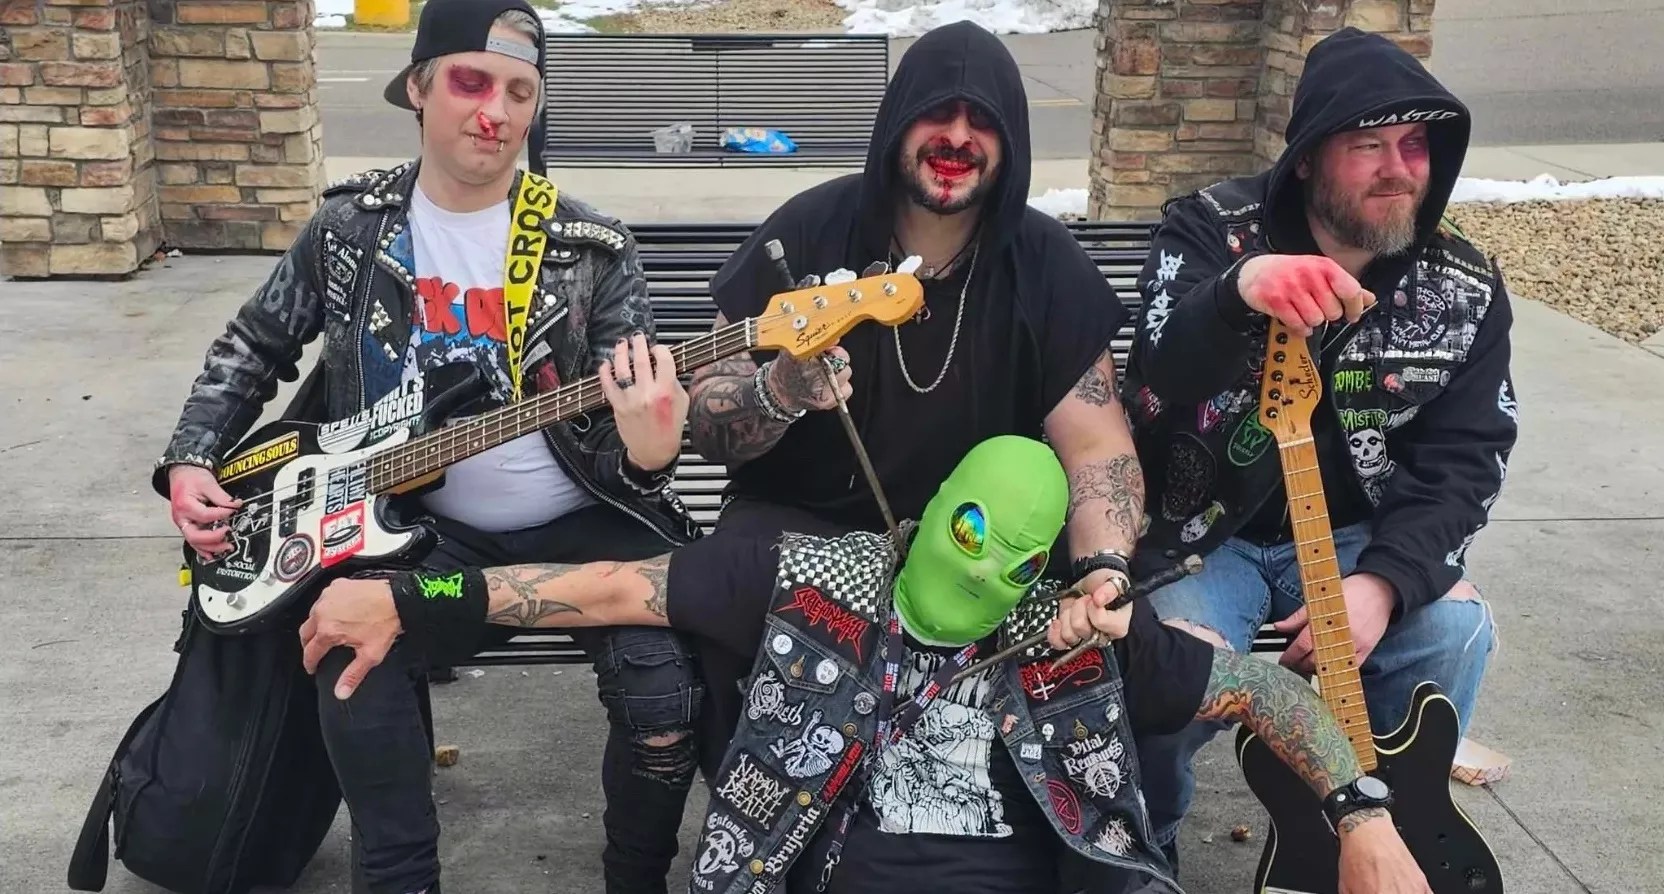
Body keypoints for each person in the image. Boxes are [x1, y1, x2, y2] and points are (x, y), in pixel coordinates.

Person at [301, 435, 1435, 894]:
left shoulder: (1077, 638)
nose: (986, 569)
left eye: (1019, 557)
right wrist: (410, 597)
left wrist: (1361, 812)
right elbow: (599, 587)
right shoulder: (802, 580)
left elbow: (1263, 686)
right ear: (937, 505)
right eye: (972, 530)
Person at [151, 1, 707, 891]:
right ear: (418, 88)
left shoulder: (590, 249)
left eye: (521, 91)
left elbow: (621, 446)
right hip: (422, 534)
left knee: (662, 689)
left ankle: (635, 875)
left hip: (581, 532)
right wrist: (190, 457)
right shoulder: (351, 230)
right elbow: (256, 344)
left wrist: (648, 452)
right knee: (346, 655)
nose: (497, 111)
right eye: (471, 82)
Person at [682, 19, 1147, 775]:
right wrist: (778, 389)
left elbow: (1098, 447)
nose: (959, 136)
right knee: (703, 630)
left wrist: (1103, 564)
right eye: (939, 113)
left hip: (976, 552)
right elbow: (707, 415)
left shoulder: (1047, 265)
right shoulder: (808, 230)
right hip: (804, 527)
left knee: (1121, 646)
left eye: (985, 121)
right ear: (897, 122)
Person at [1116, 26, 1514, 867]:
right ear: (1305, 158)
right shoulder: (1208, 231)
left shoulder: (1463, 287)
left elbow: (1468, 455)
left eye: (1414, 145)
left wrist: (1387, 580)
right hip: (1202, 537)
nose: (1398, 167)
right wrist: (1238, 293)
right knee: (1167, 669)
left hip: (1355, 540)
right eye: (1368, 144)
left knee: (1453, 633)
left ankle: (1379, 839)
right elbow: (1163, 364)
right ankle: (1138, 852)